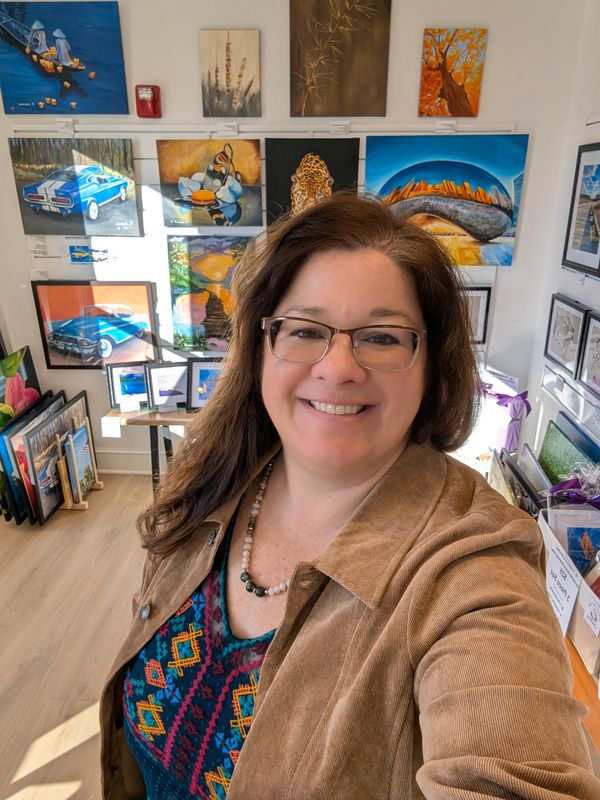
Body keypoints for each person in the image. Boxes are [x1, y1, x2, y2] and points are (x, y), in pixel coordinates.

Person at [100, 193, 600, 799]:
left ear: (431, 367)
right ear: (260, 349)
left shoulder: (474, 571)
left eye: (382, 337)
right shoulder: (217, 476)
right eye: (305, 330)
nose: (338, 368)